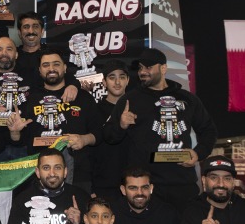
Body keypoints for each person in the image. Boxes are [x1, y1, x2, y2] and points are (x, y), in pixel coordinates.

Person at [105, 47, 218, 211]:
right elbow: (108, 136)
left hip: (182, 183)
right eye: (141, 68)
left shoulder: (187, 99)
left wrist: (198, 153)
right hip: (145, 187)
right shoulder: (130, 99)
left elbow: (209, 130)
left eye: (148, 67)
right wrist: (121, 125)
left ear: (163, 68)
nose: (143, 72)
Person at [24, 47, 104, 192]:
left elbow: (99, 133)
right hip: (39, 176)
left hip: (79, 175)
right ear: (40, 70)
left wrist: (84, 139)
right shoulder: (30, 99)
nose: (51, 69)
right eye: (46, 65)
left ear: (65, 68)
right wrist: (15, 132)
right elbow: (22, 139)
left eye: (56, 64)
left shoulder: (83, 97)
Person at [89, 59, 131, 200]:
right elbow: (89, 153)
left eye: (122, 77)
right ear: (104, 82)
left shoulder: (137, 109)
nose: (117, 82)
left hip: (133, 183)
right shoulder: (94, 111)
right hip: (103, 184)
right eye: (112, 77)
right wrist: (91, 187)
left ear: (128, 80)